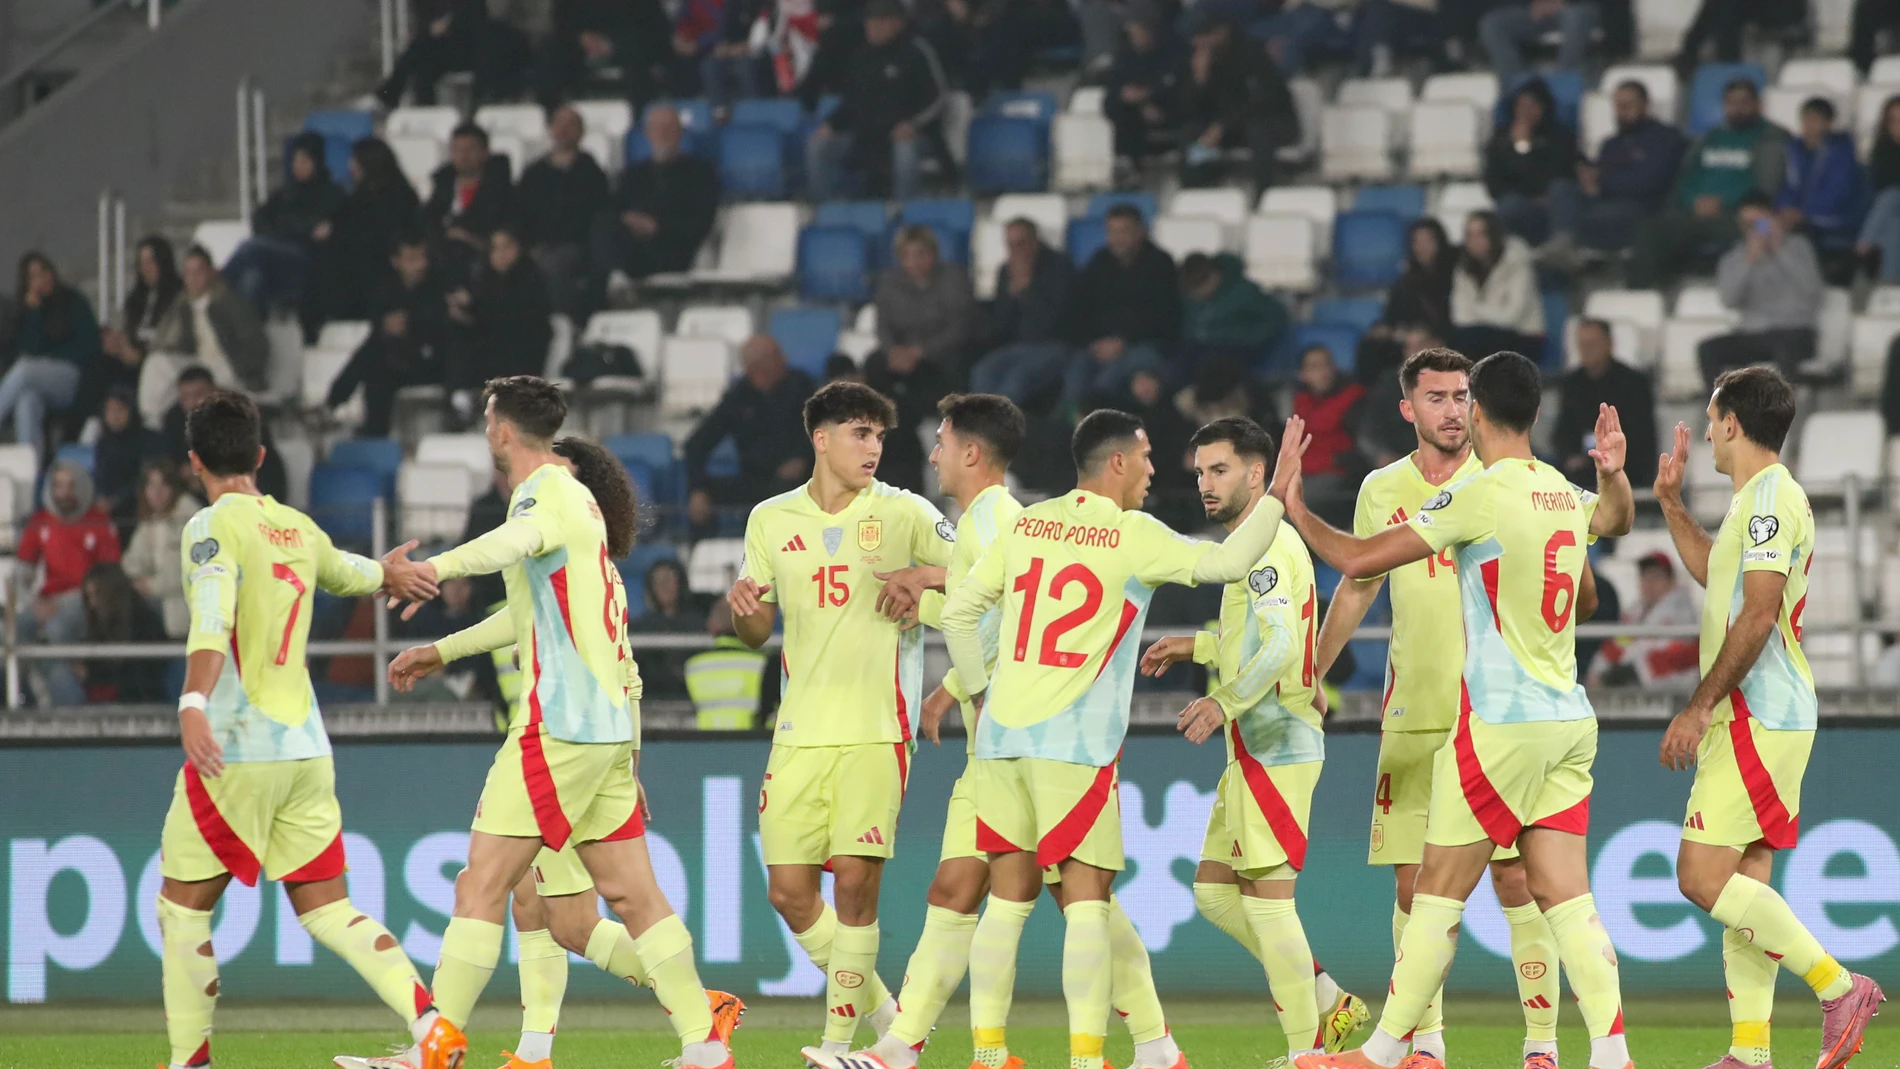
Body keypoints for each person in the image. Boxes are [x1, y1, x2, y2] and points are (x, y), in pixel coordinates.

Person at [813, 393, 1208, 1069]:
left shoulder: (1000, 516)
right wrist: (947, 681)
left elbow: (1010, 616)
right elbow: (989, 610)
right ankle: (901, 1047)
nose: (932, 452)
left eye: (940, 440)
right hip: (997, 746)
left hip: (1027, 742)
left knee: (1076, 896)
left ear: (970, 452)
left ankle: (1147, 1044)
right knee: (964, 890)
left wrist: (937, 610)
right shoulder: (983, 519)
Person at [370, 378, 737, 1069]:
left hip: (557, 726)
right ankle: (703, 1042)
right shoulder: (583, 507)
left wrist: (428, 570)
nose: (486, 431)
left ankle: (435, 1049)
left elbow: (512, 541)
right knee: (630, 895)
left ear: (502, 430)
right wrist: (442, 649)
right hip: (602, 734)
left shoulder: (541, 492)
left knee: (481, 884)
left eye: (487, 419)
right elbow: (525, 612)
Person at [1286, 351, 1636, 1069]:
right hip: (1566, 717)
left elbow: (1358, 563)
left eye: (1461, 400)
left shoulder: (1483, 490)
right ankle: (1611, 1053)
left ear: (1477, 412)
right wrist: (1612, 474)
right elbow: (1617, 521)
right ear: (1537, 414)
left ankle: (1385, 1051)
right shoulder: (1559, 490)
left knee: (1437, 888)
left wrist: (1294, 507)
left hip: (1498, 722)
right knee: (1566, 895)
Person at [933, 408, 1300, 1069]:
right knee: (1086, 903)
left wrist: (980, 691)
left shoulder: (1029, 521)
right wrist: (1279, 492)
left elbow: (959, 612)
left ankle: (988, 1055)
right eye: (1150, 456)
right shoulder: (1132, 533)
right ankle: (1085, 1059)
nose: (1158, 471)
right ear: (1119, 463)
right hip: (1075, 749)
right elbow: (1226, 561)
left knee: (1008, 901)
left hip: (1000, 740)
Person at [151, 389, 439, 1069]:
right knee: (329, 909)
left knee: (182, 910)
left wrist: (193, 700)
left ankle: (190, 1061)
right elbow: (349, 573)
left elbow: (212, 616)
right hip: (306, 749)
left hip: (236, 746)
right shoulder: (298, 526)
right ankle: (431, 1027)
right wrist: (390, 573)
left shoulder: (210, 526)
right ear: (259, 454)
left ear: (195, 461)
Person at [1651, 368, 1885, 1069]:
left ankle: (1840, 987)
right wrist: (1669, 505)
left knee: (1699, 875)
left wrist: (1700, 705)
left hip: (1758, 711)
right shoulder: (1755, 501)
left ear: (1729, 422)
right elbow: (1719, 579)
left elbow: (1757, 613)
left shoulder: (1771, 501)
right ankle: (1749, 1052)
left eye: (1711, 416)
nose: (1709, 429)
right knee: (1743, 880)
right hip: (1764, 712)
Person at [724, 381, 956, 1058]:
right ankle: (890, 1018)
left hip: (876, 726)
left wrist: (925, 580)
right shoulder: (770, 518)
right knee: (790, 892)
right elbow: (756, 630)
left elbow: (983, 573)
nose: (874, 447)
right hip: (798, 730)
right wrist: (743, 609)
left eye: (880, 435)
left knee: (855, 883)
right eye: (860, 432)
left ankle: (835, 1044)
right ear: (820, 438)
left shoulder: (907, 512)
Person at [1139, 417, 1371, 1063]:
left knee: (1270, 906)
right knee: (1215, 893)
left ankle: (1305, 1052)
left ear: (1255, 474)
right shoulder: (1251, 543)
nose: (1205, 485)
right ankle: (1327, 998)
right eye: (1199, 473)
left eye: (1218, 470)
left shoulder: (1266, 544)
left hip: (1277, 744)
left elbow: (1278, 646)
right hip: (1255, 746)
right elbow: (1258, 639)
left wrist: (1222, 698)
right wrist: (1203, 643)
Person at [1628, 80, 1788, 289]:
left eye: (1744, 102)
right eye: (1731, 103)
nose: (1737, 108)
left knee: (1764, 231)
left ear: (1759, 104)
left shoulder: (1772, 138)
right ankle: (1647, 300)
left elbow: (1768, 186)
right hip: (1695, 213)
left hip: (1740, 216)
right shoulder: (1709, 138)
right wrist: (1693, 200)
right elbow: (1686, 178)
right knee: (1651, 230)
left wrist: (1725, 202)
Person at [804, 0, 949, 201]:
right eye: (869, 21)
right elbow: (851, 101)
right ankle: (823, 211)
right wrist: (830, 124)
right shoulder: (861, 56)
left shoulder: (917, 51)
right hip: (866, 137)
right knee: (818, 145)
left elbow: (938, 99)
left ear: (897, 23)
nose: (872, 27)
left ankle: (904, 211)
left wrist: (913, 125)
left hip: (914, 135)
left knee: (904, 149)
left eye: (879, 21)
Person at [866, 225, 968, 489]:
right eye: (908, 255)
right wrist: (893, 351)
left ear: (933, 255)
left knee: (945, 372)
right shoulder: (889, 282)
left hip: (939, 354)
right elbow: (883, 325)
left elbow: (959, 326)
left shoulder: (953, 278)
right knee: (874, 367)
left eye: (921, 254)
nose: (915, 261)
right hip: (900, 354)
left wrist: (920, 351)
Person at [683, 335, 817, 534]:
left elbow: (825, 427)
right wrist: (697, 489)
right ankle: (704, 557)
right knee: (703, 499)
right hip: (754, 479)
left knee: (785, 491)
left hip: (800, 480)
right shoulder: (738, 397)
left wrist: (802, 457)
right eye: (776, 355)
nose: (784, 358)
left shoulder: (801, 386)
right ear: (757, 367)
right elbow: (696, 444)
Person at [16, 460, 122, 706]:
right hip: (46, 599)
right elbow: (23, 572)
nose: (64, 493)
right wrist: (33, 600)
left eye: (70, 486)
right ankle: (56, 691)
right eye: (58, 486)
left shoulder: (99, 521)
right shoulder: (41, 520)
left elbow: (107, 577)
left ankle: (64, 701)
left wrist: (61, 602)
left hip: (85, 599)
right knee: (16, 628)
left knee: (57, 628)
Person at [1547, 80, 1687, 261]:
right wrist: (1588, 178)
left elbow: (1652, 181)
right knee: (1561, 188)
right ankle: (1562, 244)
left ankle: (1570, 247)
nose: (1622, 112)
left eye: (1628, 106)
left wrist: (1602, 183)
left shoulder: (1666, 138)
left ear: (1645, 105)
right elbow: (1600, 175)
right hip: (1603, 200)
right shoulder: (1611, 144)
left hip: (1641, 207)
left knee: (1598, 216)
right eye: (1618, 107)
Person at [591, 104, 720, 299]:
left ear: (680, 133)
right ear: (648, 134)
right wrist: (629, 221)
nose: (663, 134)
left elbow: (701, 223)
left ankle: (614, 278)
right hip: (630, 243)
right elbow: (612, 210)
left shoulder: (701, 174)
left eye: (669, 128)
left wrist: (656, 227)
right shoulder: (633, 174)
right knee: (602, 226)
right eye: (657, 129)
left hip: (673, 247)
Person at [327, 233, 448, 438]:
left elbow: (442, 328)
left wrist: (411, 323)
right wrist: (386, 327)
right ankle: (374, 435)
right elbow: (376, 325)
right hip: (396, 362)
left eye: (421, 258)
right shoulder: (386, 290)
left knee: (373, 349)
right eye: (411, 259)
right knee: (376, 373)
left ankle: (334, 400)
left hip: (431, 362)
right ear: (396, 262)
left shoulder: (437, 287)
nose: (419, 265)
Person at [1697, 192, 1824, 385]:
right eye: (1746, 224)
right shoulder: (1733, 258)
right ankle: (1719, 410)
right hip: (1753, 333)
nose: (1753, 229)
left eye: (1758, 223)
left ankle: (1786, 408)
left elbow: (1812, 291)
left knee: (1784, 346)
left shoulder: (1798, 247)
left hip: (1795, 331)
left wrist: (1779, 249)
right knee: (1707, 348)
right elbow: (1728, 300)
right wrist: (1749, 261)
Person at [1065, 205, 1181, 412]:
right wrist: (1094, 342)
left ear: (1141, 231)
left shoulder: (1160, 264)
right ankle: (1071, 430)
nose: (1117, 238)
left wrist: (1122, 341)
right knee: (1076, 373)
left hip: (1143, 344)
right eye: (1112, 231)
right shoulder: (1099, 262)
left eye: (1124, 231)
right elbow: (1080, 307)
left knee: (1106, 383)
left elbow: (1162, 315)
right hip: (1100, 345)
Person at [304, 138, 421, 339]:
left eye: (354, 160)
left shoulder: (389, 199)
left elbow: (364, 236)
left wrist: (333, 233)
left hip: (369, 274)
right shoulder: (365, 196)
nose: (350, 166)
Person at [225, 131, 346, 318]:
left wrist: (286, 229)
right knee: (252, 278)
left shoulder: (332, 194)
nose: (298, 166)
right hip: (276, 253)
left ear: (317, 162)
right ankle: (247, 334)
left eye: (305, 161)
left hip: (306, 260)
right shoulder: (286, 193)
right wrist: (291, 229)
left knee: (249, 248)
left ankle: (219, 284)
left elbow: (313, 230)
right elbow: (259, 219)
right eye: (296, 161)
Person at [445, 226, 553, 427]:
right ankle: (460, 401)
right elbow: (485, 320)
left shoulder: (531, 278)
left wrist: (477, 305)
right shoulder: (485, 279)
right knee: (456, 340)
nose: (500, 254)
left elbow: (522, 321)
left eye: (506, 247)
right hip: (491, 350)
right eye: (495, 249)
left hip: (522, 351)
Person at [1177, 13, 1299, 189]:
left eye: (1204, 37)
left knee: (1258, 131)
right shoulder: (1199, 59)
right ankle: (1195, 189)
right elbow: (1191, 110)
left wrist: (1223, 125)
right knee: (1190, 134)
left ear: (1221, 32)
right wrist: (1199, 80)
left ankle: (1263, 193)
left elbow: (1262, 101)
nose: (1199, 43)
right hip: (1227, 129)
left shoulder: (1252, 53)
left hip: (1272, 121)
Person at [0, 252, 99, 461]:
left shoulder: (73, 301)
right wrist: (33, 312)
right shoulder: (25, 311)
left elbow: (89, 346)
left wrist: (51, 358)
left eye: (43, 271)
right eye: (33, 276)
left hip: (72, 377)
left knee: (25, 369)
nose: (41, 279)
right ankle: (31, 470)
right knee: (26, 401)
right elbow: (29, 349)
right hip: (40, 381)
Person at [514, 105, 612, 317]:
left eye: (571, 125)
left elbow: (594, 217)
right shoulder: (533, 174)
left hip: (575, 246)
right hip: (535, 245)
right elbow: (521, 213)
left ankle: (562, 323)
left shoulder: (592, 173)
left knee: (554, 265)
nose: (564, 130)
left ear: (581, 132)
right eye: (559, 124)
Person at [969, 217, 1077, 409]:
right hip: (1017, 346)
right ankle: (983, 429)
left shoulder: (1059, 268)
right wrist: (1011, 297)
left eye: (1021, 243)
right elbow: (1000, 324)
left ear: (1035, 241)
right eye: (1010, 245)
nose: (1016, 251)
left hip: (1054, 346)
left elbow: (1056, 322)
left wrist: (1027, 291)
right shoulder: (1006, 271)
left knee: (1016, 379)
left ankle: (1001, 432)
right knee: (982, 371)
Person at [1555, 318, 1658, 487]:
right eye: (1582, 345)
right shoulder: (1571, 384)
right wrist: (1572, 455)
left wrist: (1596, 457)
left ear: (1609, 344)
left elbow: (1640, 436)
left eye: (1592, 344)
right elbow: (1563, 431)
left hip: (1626, 466)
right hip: (1582, 466)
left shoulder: (1634, 383)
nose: (1587, 350)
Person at [97, 237, 184, 427]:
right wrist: (118, 343)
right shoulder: (135, 300)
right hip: (130, 357)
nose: (145, 268)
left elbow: (174, 339)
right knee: (99, 364)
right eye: (141, 263)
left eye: (150, 262)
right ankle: (98, 422)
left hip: (159, 360)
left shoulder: (179, 297)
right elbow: (126, 331)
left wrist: (140, 354)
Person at [162, 245, 271, 395]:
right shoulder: (182, 305)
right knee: (157, 364)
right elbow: (176, 343)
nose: (192, 278)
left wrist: (242, 368)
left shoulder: (229, 302)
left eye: (198, 272)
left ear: (211, 272)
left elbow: (256, 344)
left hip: (229, 367)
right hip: (197, 365)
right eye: (188, 273)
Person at [1483, 78, 1580, 246]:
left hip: (1555, 208)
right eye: (1520, 106)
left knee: (1561, 189)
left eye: (1531, 106)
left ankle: (1561, 246)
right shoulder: (1501, 140)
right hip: (1521, 206)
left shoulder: (1560, 137)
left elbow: (1556, 176)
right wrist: (1521, 146)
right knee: (1508, 206)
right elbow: (1494, 185)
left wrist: (1524, 150)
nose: (1525, 113)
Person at [1586, 551, 1699, 688]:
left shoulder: (1684, 613)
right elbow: (1616, 645)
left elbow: (1678, 656)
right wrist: (1600, 671)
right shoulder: (1634, 612)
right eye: (1645, 576)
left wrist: (1632, 671)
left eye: (1656, 577)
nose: (1649, 583)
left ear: (1671, 581)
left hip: (1673, 692)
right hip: (1632, 691)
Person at [1358, 220, 1455, 380]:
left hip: (1441, 336)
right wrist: (1394, 332)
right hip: (1406, 336)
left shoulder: (1454, 274)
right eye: (1417, 241)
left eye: (1428, 240)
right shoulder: (1406, 279)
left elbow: (1452, 317)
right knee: (1370, 347)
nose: (1422, 247)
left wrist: (1426, 335)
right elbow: (1391, 317)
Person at [422, 123, 514, 285]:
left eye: (470, 149)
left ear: (485, 152)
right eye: (457, 150)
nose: (463, 156)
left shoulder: (501, 190)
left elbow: (507, 229)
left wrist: (469, 238)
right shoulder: (442, 187)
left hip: (484, 257)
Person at [1774, 97, 1866, 259]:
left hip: (1829, 220)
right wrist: (1784, 208)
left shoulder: (1842, 152)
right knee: (1759, 226)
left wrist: (1802, 213)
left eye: (1815, 120)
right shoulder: (1793, 149)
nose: (1809, 125)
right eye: (1805, 119)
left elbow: (1836, 192)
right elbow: (1787, 186)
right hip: (1795, 217)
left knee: (1795, 236)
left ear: (1828, 124)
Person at [121, 459, 202, 638]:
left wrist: (150, 585)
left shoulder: (191, 516)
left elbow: (189, 571)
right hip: (153, 600)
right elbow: (132, 561)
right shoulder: (150, 521)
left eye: (163, 486)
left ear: (174, 488)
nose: (156, 493)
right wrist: (136, 582)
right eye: (151, 485)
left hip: (183, 603)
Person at [1448, 211, 1544, 362]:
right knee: (1458, 340)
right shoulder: (1463, 270)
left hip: (1524, 336)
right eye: (1470, 235)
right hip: (1478, 337)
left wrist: (1476, 311)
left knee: (1471, 341)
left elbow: (1512, 316)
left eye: (1480, 234)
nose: (1474, 241)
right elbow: (1459, 317)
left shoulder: (1517, 262)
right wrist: (1490, 313)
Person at [1103, 0, 1184, 162]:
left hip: (1173, 116)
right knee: (1122, 115)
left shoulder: (1175, 53)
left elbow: (1178, 86)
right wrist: (1132, 100)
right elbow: (1110, 99)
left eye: (1139, 29)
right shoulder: (1124, 58)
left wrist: (1149, 95)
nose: (1135, 35)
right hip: (1135, 122)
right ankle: (1129, 167)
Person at [77, 560, 169, 703]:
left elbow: (140, 676)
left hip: (143, 703)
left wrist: (91, 674)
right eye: (88, 597)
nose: (92, 604)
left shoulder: (144, 623)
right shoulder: (96, 623)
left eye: (97, 595)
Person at [1179, 251, 1288, 359]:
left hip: (1235, 351)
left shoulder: (1244, 293)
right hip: (1198, 351)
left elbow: (1276, 316)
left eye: (1201, 285)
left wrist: (1249, 339)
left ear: (1214, 275)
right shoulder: (1191, 302)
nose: (1198, 293)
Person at [685, 599, 767, 729]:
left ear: (711, 626)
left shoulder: (693, 666)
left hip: (704, 745)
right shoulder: (762, 663)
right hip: (752, 745)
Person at [94, 385, 167, 529]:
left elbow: (144, 478)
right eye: (109, 410)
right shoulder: (103, 443)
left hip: (140, 508)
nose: (114, 416)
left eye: (120, 410)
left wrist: (116, 501)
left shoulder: (149, 439)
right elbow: (100, 477)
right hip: (109, 510)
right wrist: (102, 498)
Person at [1478, 0, 1600, 85]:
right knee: (1492, 24)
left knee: (1574, 18)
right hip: (1536, 12)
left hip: (1578, 7)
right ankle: (1519, 89)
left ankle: (1564, 86)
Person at [630, 556, 701, 700]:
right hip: (653, 700)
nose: (664, 585)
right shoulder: (640, 628)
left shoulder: (697, 624)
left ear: (680, 583)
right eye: (658, 581)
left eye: (669, 579)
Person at [1672, 0, 1805, 75]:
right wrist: (1689, 51)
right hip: (1732, 54)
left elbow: (1796, 21)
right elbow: (1701, 26)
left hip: (1771, 43)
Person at [1855, 95, 1900, 280]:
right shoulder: (1883, 151)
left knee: (1890, 196)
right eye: (1894, 121)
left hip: (1889, 204)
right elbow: (1881, 184)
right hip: (1893, 212)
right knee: (1894, 226)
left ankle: (1865, 240)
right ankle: (1890, 286)